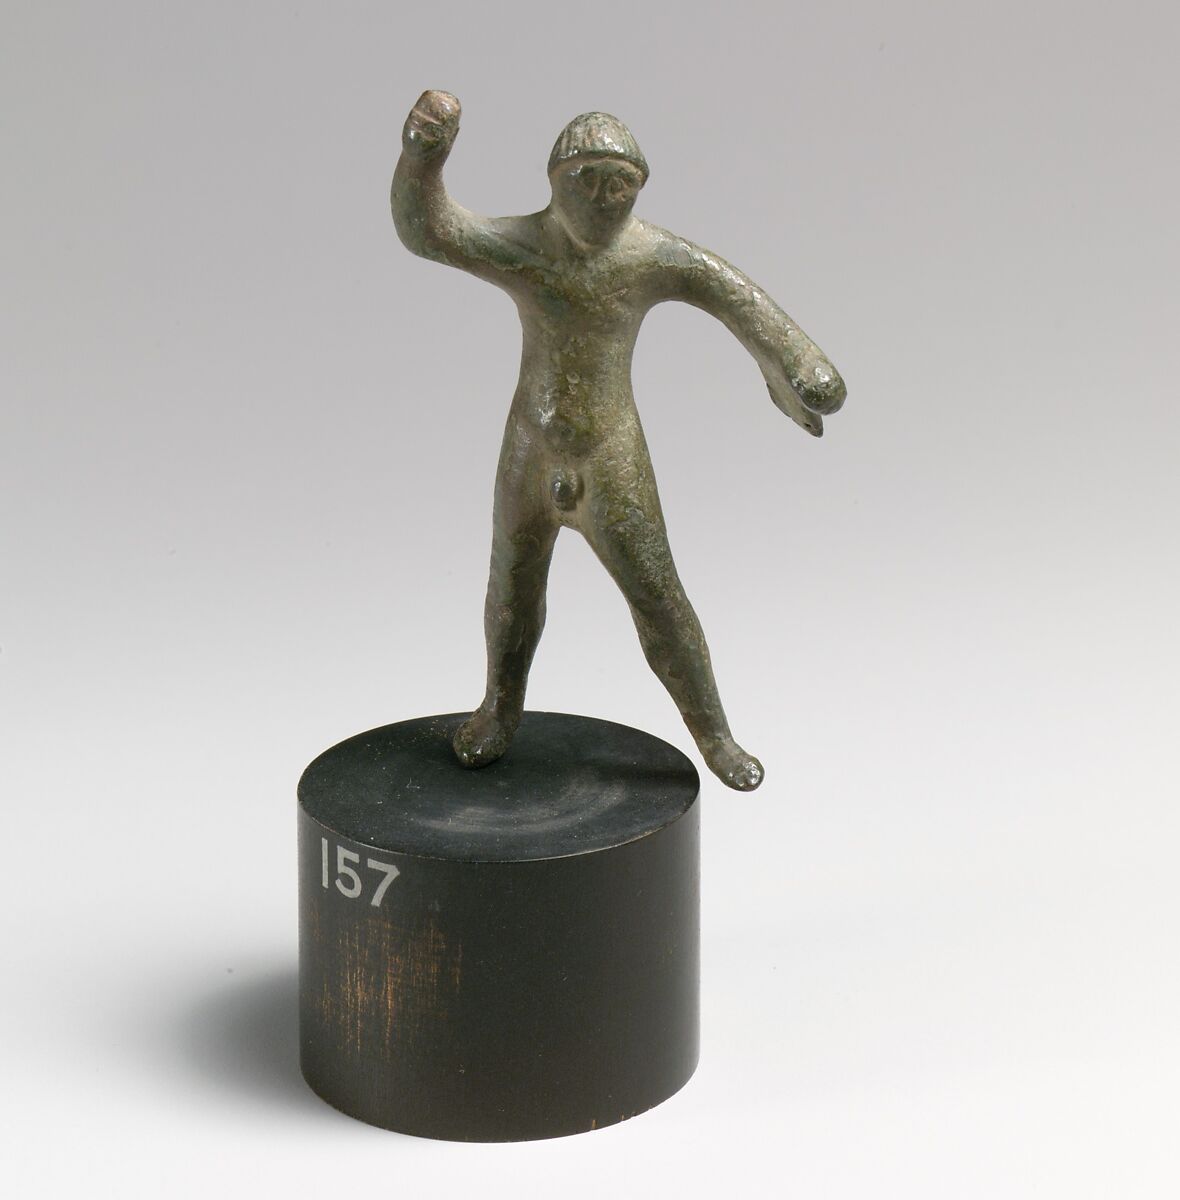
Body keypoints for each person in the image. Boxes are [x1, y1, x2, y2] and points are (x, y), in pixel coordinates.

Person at [392, 91, 846, 791]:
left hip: (609, 454)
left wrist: (800, 366)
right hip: (530, 448)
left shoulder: (650, 255)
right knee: (512, 587)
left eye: (620, 183)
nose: (603, 197)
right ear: (554, 180)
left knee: (658, 597)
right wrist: (422, 160)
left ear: (639, 188)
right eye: (586, 179)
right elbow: (429, 231)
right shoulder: (523, 244)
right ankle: (499, 710)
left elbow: (737, 298)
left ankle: (716, 737)